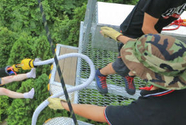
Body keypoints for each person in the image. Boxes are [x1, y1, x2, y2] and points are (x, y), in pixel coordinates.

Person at [48, 26, 186, 124]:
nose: (131, 71)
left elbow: (103, 114)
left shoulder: (149, 111)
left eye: (135, 67)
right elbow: (155, 53)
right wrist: (119, 37)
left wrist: (65, 105)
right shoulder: (179, 64)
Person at [96, 0, 186, 95]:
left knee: (146, 62)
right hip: (135, 30)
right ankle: (101, 73)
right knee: (123, 64)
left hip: (153, 31)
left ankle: (130, 75)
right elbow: (146, 27)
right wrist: (165, 49)